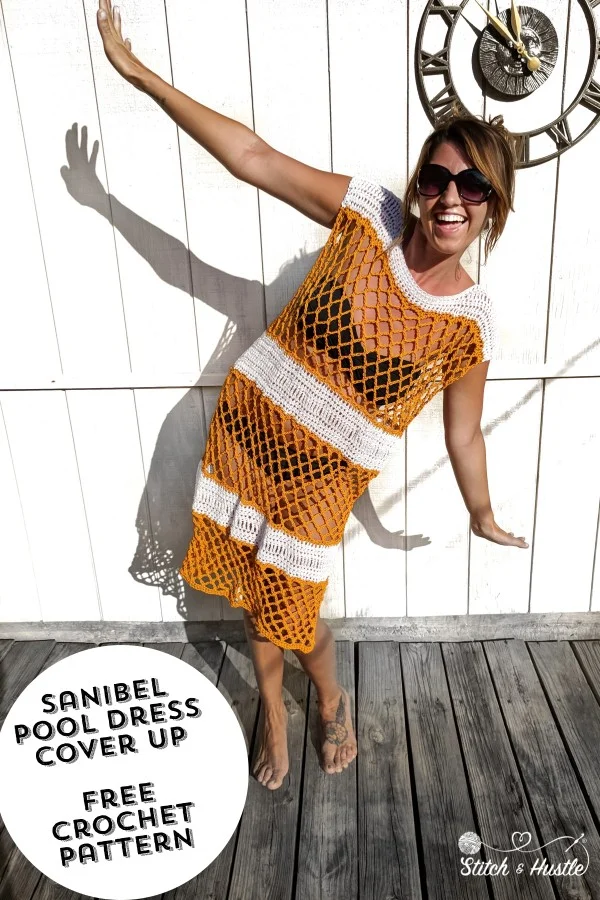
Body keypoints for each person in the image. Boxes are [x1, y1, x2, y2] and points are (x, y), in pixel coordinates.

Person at [97, 0, 529, 791]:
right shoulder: (369, 217)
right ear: (419, 182)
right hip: (248, 434)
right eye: (436, 177)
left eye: (471, 185)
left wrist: (480, 511)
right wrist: (142, 77)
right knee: (249, 594)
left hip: (319, 484)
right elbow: (255, 157)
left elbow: (464, 433)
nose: (449, 197)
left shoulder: (469, 323)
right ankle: (272, 706)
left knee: (290, 607)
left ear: (491, 204)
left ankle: (328, 696)